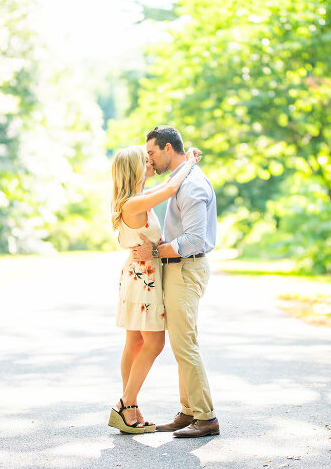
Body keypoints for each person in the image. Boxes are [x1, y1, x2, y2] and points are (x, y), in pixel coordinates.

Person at [130, 125, 219, 438]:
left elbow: (194, 239)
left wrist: (153, 250)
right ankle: (188, 411)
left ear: (168, 149)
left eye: (152, 153)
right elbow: (153, 190)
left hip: (185, 268)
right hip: (176, 268)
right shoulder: (180, 176)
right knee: (183, 343)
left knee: (185, 345)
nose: (149, 160)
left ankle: (206, 417)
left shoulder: (192, 185)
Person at [108, 144, 200, 434]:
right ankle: (126, 404)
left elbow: (164, 185)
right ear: (135, 168)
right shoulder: (134, 203)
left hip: (138, 275)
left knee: (134, 343)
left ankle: (131, 409)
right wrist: (190, 161)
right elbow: (171, 188)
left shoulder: (136, 198)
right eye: (145, 159)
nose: (151, 161)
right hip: (143, 277)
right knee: (154, 344)